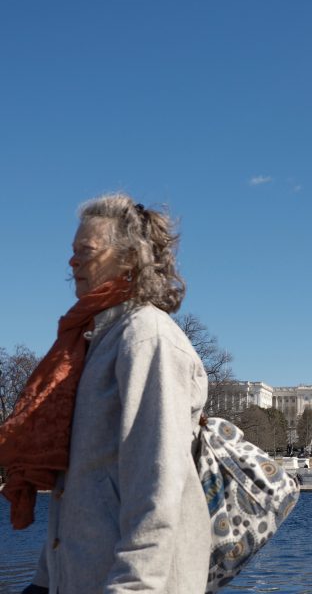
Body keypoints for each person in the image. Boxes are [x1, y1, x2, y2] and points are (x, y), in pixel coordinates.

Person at [0, 193, 211, 593]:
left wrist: (134, 586)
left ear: (130, 259)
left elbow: (157, 484)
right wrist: (45, 580)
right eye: (72, 251)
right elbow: (81, 485)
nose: (72, 261)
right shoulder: (90, 342)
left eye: (86, 251)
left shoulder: (145, 338)